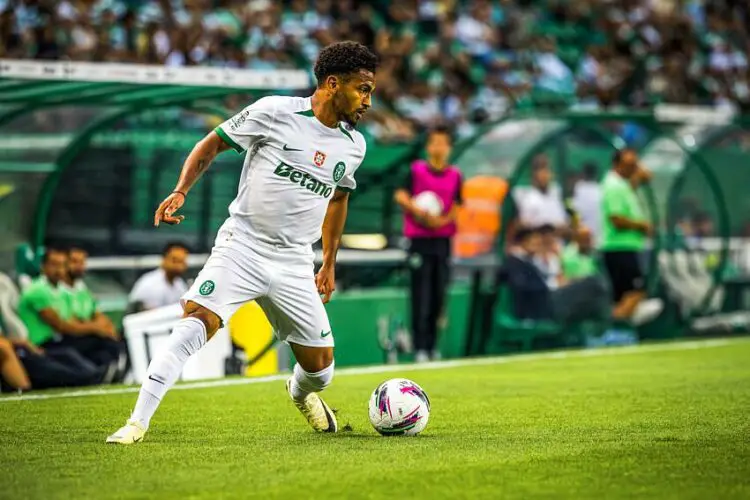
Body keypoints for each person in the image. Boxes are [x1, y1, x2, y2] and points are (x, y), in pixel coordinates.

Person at [107, 41, 378, 444]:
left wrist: (329, 262)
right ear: (333, 84)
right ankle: (137, 422)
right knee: (196, 323)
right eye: (363, 89)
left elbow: (338, 198)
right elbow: (211, 143)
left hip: (294, 262)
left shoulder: (354, 145)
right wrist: (181, 190)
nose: (368, 102)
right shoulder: (275, 112)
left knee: (321, 371)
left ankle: (299, 392)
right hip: (243, 247)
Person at [394, 125, 463, 363]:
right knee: (420, 294)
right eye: (434, 142)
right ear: (427, 146)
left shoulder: (455, 175)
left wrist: (441, 220)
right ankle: (420, 346)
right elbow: (401, 195)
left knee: (438, 294)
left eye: (443, 143)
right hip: (419, 240)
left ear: (449, 148)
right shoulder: (416, 171)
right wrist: (420, 213)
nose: (439, 148)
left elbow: (457, 204)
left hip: (442, 241)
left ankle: (433, 345)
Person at [17, 247, 121, 370]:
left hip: (59, 340)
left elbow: (78, 318)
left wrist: (100, 328)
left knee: (106, 343)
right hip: (43, 344)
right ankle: (103, 374)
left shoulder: (61, 290)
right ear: (43, 267)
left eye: (62, 265)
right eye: (54, 265)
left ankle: (107, 373)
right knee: (98, 344)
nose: (59, 270)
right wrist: (96, 329)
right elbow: (62, 325)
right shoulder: (37, 290)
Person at [600, 148, 662, 325]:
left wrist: (639, 176)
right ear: (616, 164)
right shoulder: (612, 185)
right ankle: (615, 328)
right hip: (620, 247)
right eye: (629, 165)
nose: (633, 169)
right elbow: (616, 219)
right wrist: (642, 226)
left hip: (625, 247)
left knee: (623, 296)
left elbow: (631, 185)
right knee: (635, 292)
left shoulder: (621, 184)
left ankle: (617, 329)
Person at [128, 242, 189, 312]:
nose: (179, 266)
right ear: (164, 259)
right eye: (175, 261)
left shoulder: (179, 284)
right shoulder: (150, 283)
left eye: (182, 262)